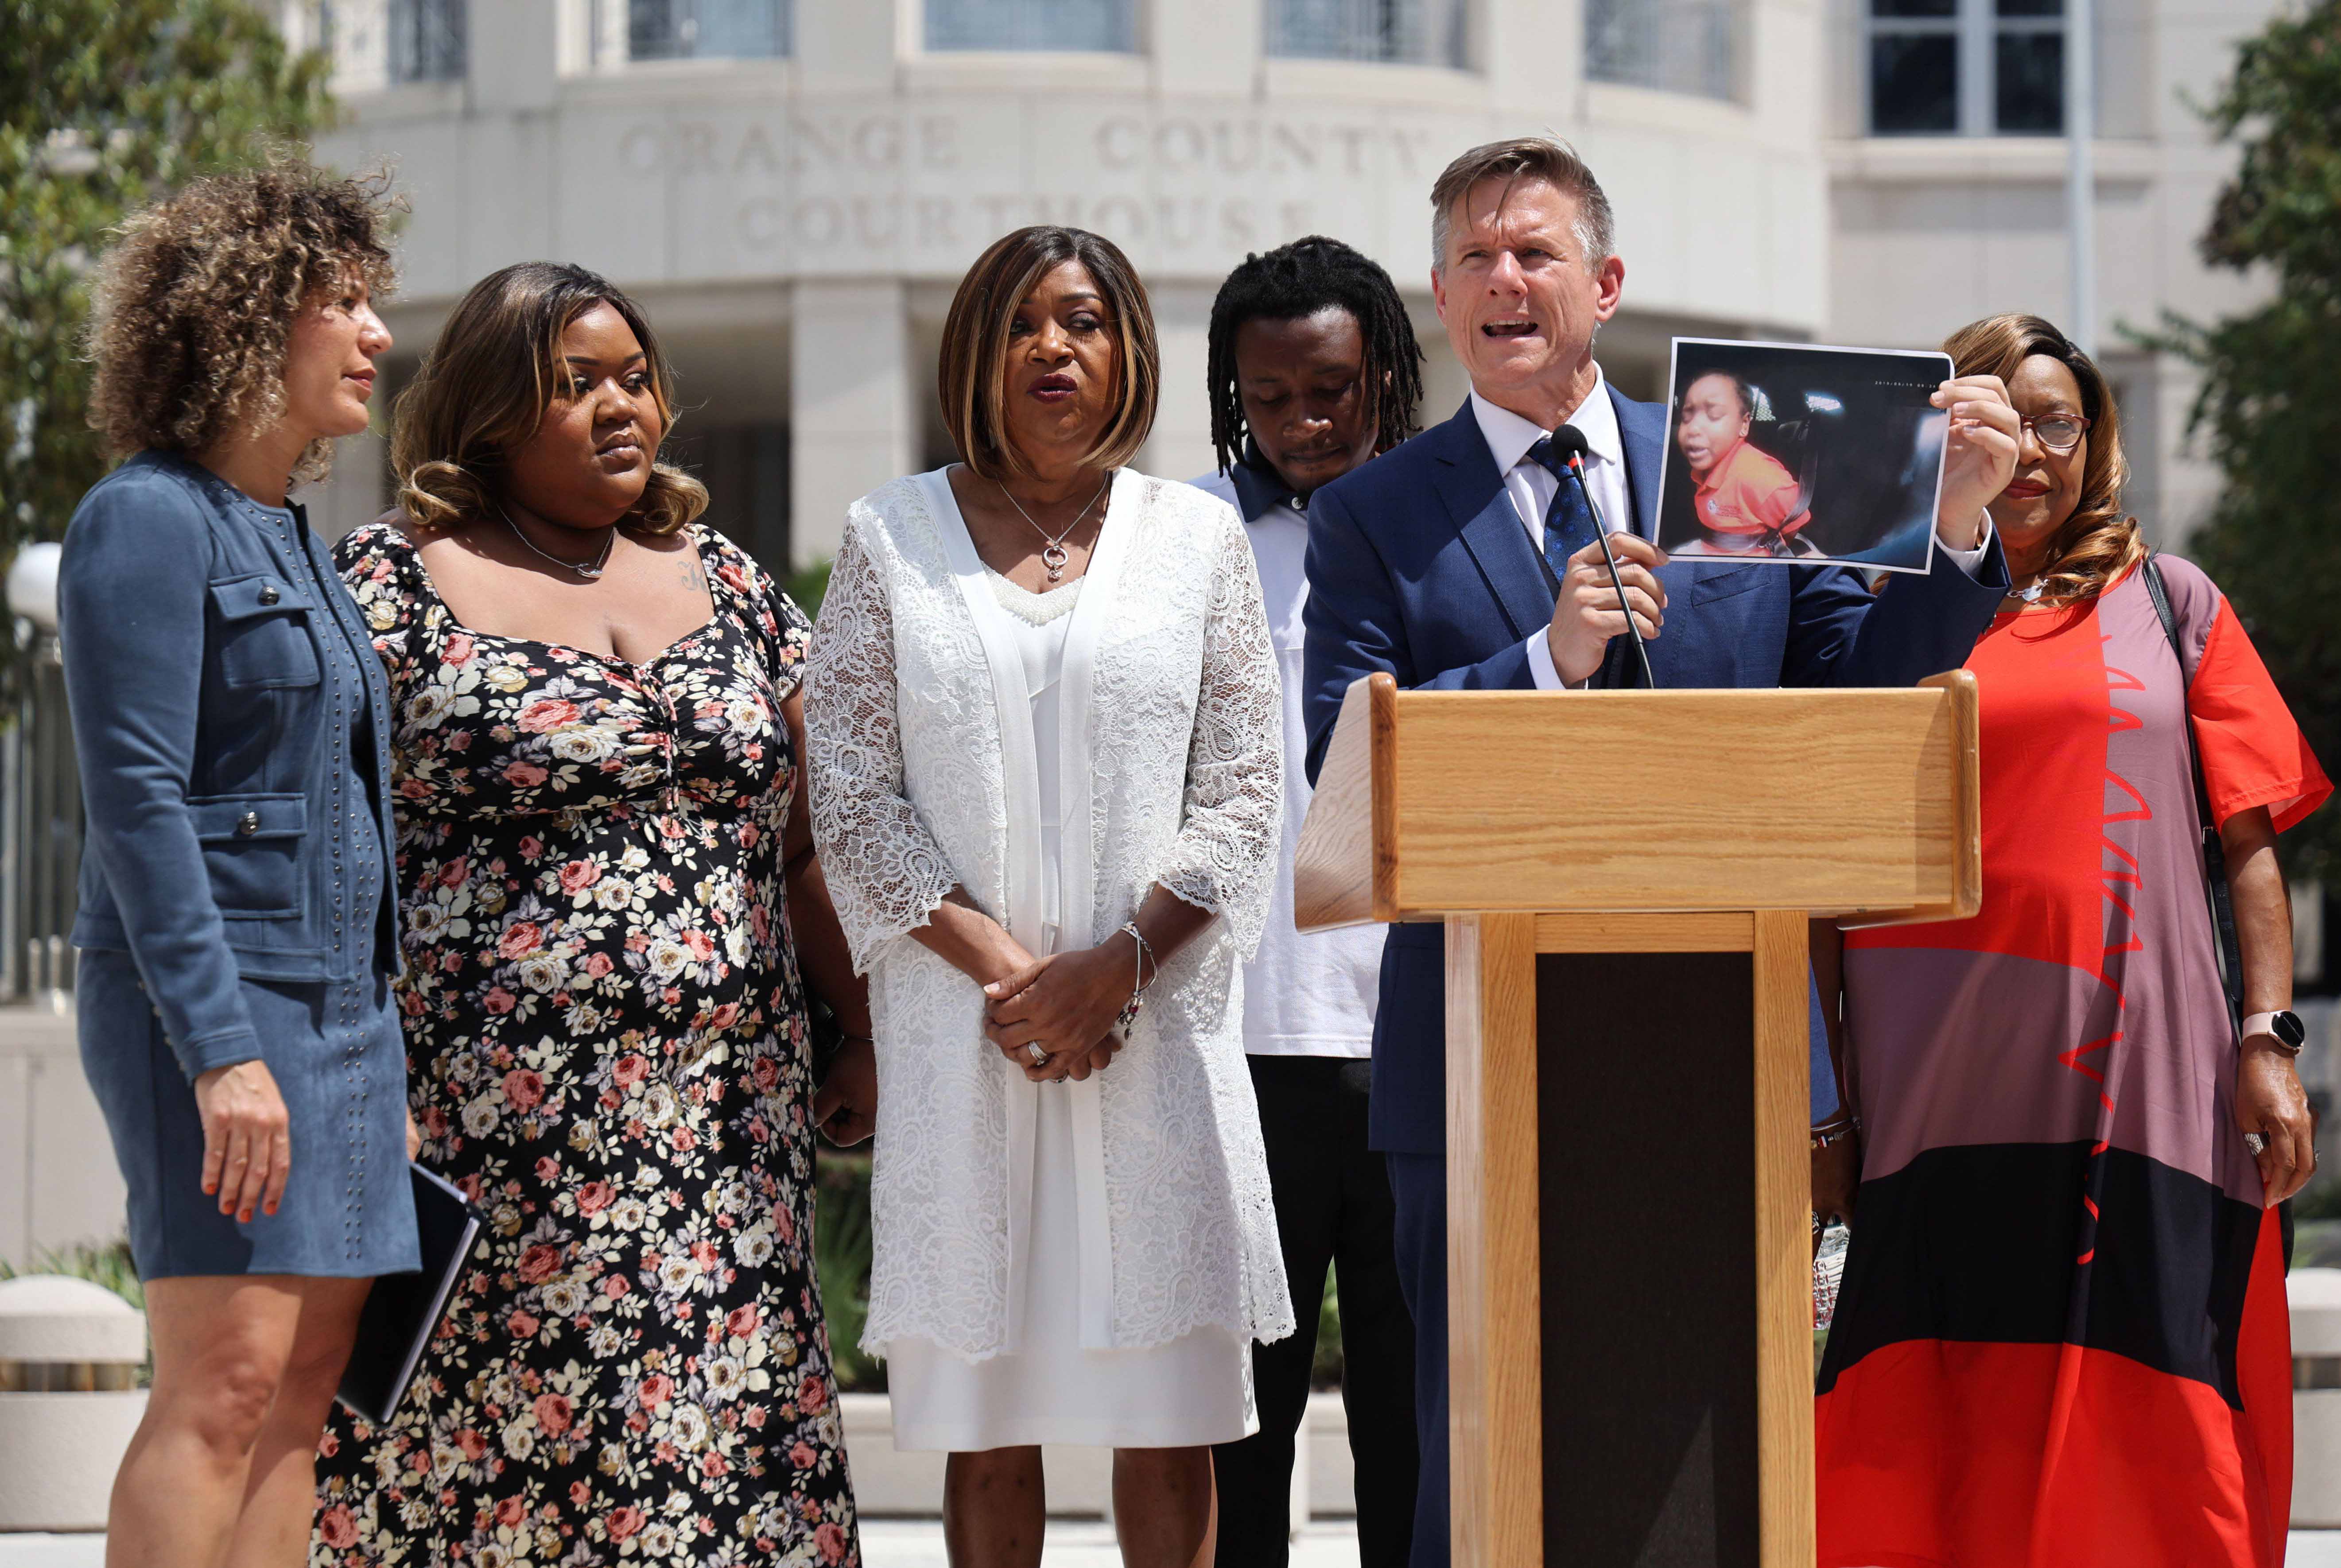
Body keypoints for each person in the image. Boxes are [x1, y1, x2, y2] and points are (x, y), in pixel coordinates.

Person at [1298, 136, 2021, 1567]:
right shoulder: (1369, 515)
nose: (1506, 279)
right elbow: (1345, 758)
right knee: (1483, 1454)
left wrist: (1947, 527)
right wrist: (1542, 663)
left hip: (1727, 1054)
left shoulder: (1738, 467)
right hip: (1472, 1066)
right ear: (1438, 296)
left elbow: (1851, 688)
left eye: (1536, 252)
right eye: (1475, 258)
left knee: (1723, 1460)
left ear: (1605, 284)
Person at [309, 262, 870, 1566]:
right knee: (512, 1457)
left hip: (724, 1122)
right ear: (494, 406)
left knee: (720, 1448)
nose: (622, 405)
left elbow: (804, 841)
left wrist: (858, 1027)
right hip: (491, 1129)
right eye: (577, 384)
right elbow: (328, 858)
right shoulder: (389, 581)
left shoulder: (725, 578)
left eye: (635, 375)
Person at [804, 225, 1291, 1568]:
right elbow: (849, 790)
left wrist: (1116, 966)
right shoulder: (888, 538)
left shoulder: (1195, 539)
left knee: (1169, 1411)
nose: (1053, 347)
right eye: (1022, 323)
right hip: (971, 1040)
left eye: (1082, 320)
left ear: (1127, 348)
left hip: (1154, 1037)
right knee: (987, 1417)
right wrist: (1015, 978)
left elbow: (1245, 790)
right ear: (977, 352)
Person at [1813, 313, 2329, 1568]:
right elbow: (1821, 863)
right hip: (1933, 1086)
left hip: (2138, 1078)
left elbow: (2247, 838)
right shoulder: (1880, 607)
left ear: (2095, 440)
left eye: (2060, 421)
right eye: (2001, 420)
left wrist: (2266, 1036)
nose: (2034, 449)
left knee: (2152, 1387)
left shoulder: (2171, 598)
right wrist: (1821, 1103)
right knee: (1936, 1403)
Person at [57, 162, 418, 1568]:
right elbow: (137, 799)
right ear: (249, 319)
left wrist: (373, 1051)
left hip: (336, 1014)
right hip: (213, 1007)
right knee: (220, 1384)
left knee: (300, 1396)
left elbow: (349, 810)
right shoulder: (144, 520)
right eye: (343, 303)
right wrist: (220, 1051)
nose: (376, 334)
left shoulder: (294, 540)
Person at [1188, 236, 1423, 1568]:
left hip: (1417, 1044)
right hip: (1240, 1045)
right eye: (1268, 398)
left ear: (1386, 368)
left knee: (1411, 1425)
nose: (1301, 420)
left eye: (1329, 388)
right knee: (1244, 1433)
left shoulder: (1450, 529)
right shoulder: (1188, 540)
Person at [1672, 369, 1816, 557]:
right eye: (1687, 417)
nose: (1694, 429)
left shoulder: (1761, 479)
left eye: (1714, 415)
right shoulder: (1704, 468)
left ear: (1744, 425)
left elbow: (1797, 527)